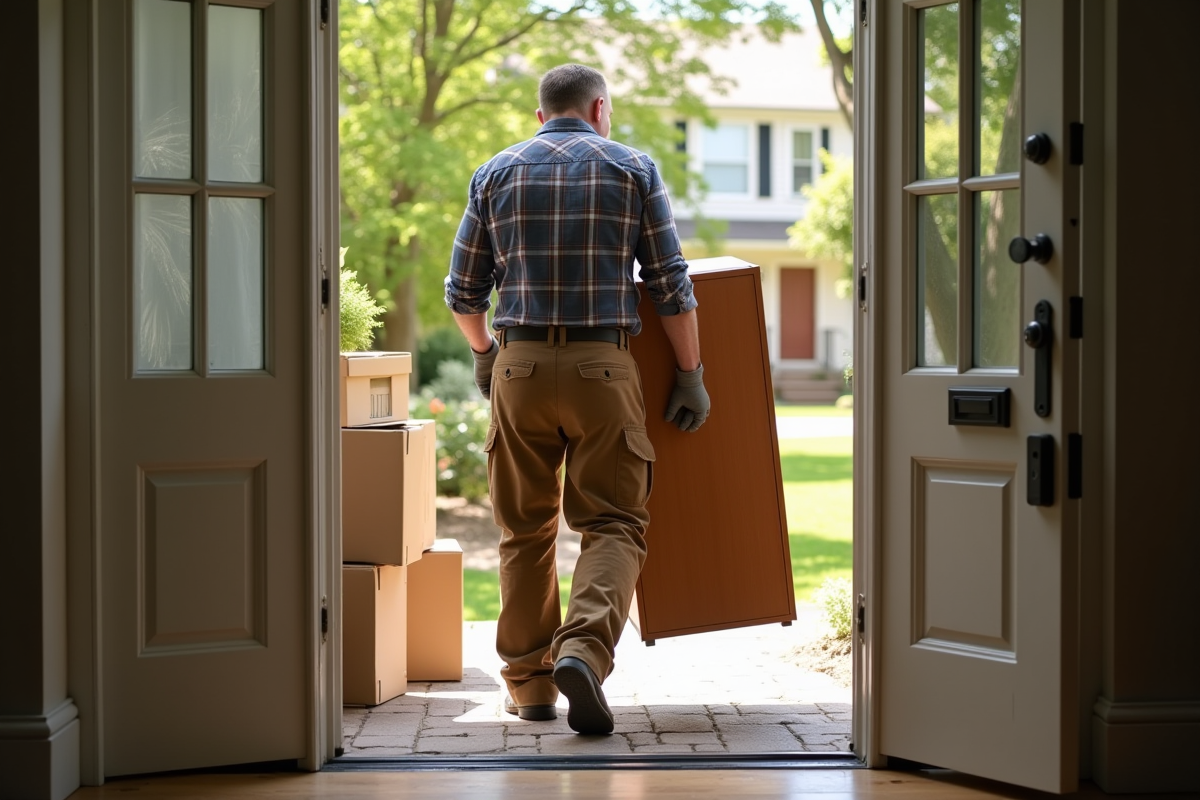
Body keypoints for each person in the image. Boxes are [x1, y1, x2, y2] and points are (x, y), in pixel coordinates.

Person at [444, 63, 710, 735]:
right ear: (598, 109)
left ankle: (530, 686)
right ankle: (584, 652)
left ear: (542, 116)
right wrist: (691, 373)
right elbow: (670, 284)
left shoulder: (494, 174)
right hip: (602, 368)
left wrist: (486, 355)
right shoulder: (634, 168)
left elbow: (463, 293)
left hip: (520, 366)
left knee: (524, 530)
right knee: (614, 522)